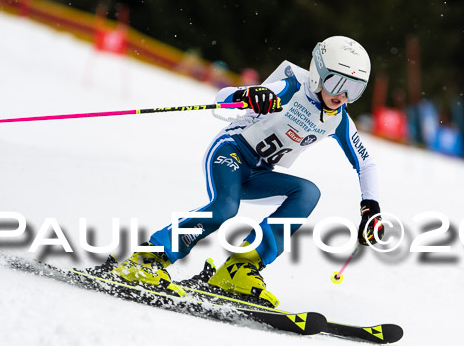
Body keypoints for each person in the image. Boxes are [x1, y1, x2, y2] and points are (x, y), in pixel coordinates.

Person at [110, 36, 384, 308]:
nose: (343, 95)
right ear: (317, 74)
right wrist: (250, 95)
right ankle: (147, 260)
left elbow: (366, 163)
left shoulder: (339, 121)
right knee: (225, 209)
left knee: (307, 192)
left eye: (355, 89)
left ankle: (238, 270)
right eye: (337, 83)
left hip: (259, 172)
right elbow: (223, 97)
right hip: (231, 152)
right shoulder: (291, 88)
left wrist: (370, 207)